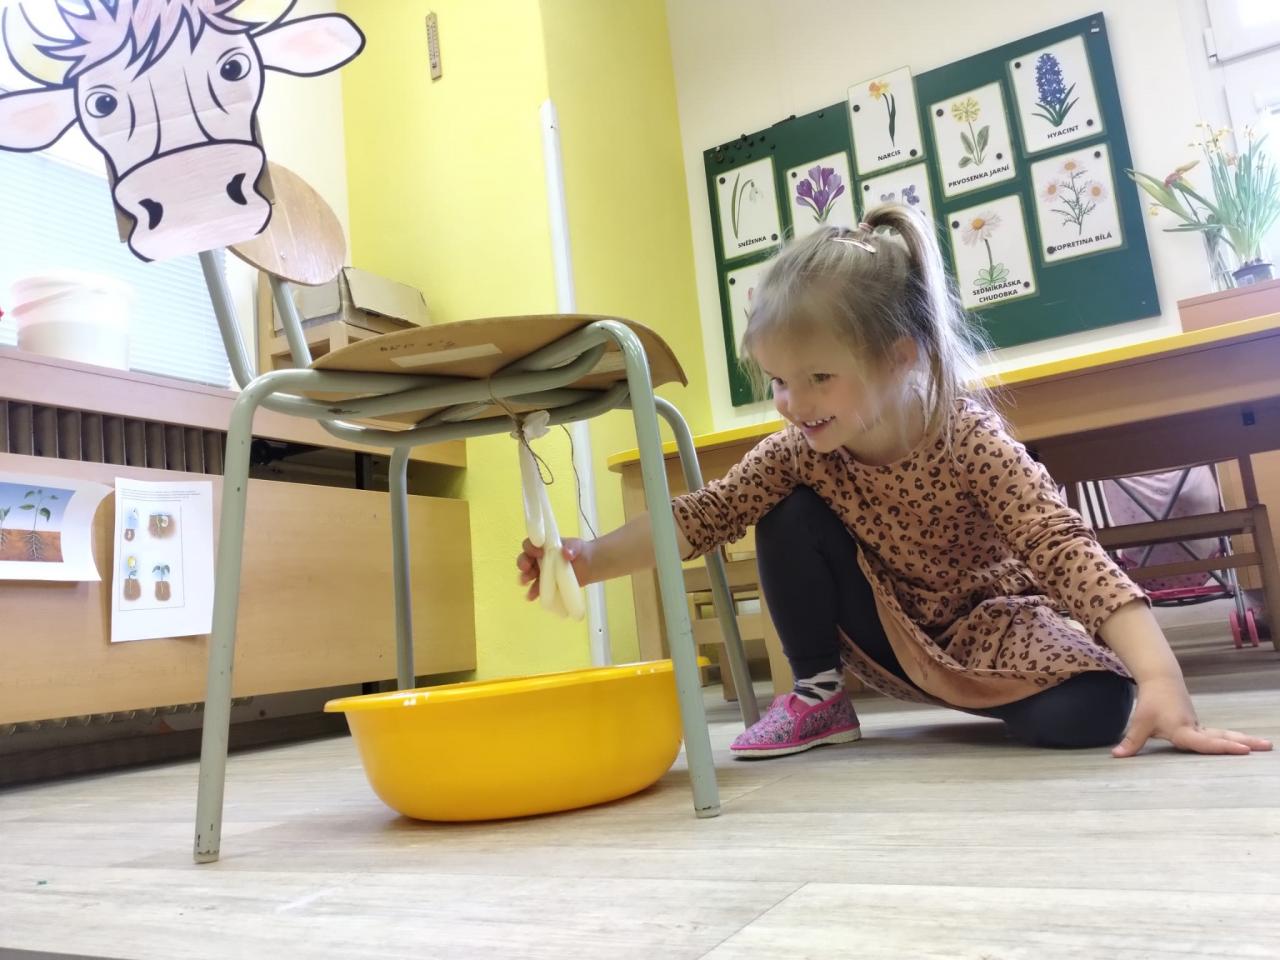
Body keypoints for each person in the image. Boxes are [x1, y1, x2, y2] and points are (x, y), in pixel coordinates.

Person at [516, 204, 1272, 762]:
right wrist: (585, 559)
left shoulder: (969, 440)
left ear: (901, 357)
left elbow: (1060, 544)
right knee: (783, 509)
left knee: (1097, 710)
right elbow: (705, 513)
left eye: (819, 378)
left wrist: (1159, 674)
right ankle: (819, 697)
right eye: (779, 380)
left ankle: (980, 692)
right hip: (882, 625)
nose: (794, 402)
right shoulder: (800, 451)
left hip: (990, 627)